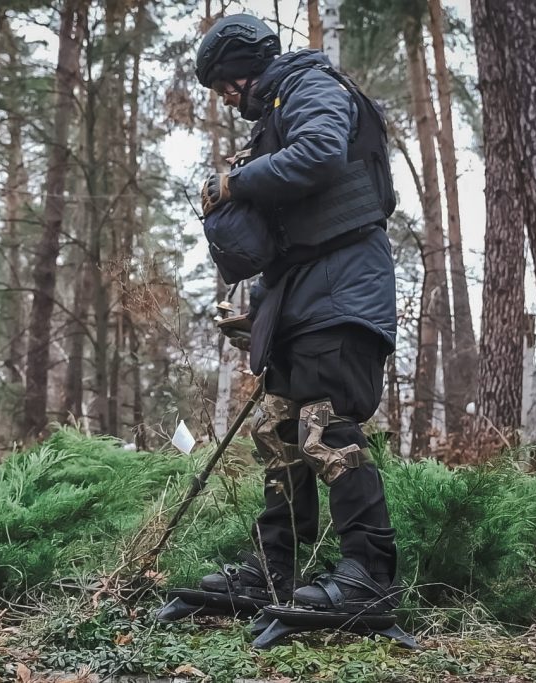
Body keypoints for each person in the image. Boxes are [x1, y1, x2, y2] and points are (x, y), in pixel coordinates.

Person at [194, 13, 400, 616]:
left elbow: (320, 154)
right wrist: (257, 316)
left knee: (325, 428)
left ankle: (368, 577)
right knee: (280, 434)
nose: (225, 97)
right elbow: (290, 243)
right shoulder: (276, 114)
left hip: (345, 291)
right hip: (303, 297)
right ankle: (271, 571)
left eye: (225, 83)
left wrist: (234, 184)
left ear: (245, 69)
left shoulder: (311, 86)